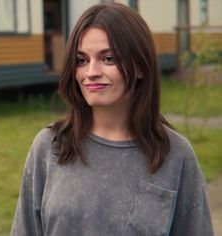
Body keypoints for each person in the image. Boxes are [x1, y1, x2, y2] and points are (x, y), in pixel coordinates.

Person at [11, 3, 213, 236]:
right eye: (81, 60)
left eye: (108, 58)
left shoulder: (176, 154)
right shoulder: (49, 147)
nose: (91, 72)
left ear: (140, 67)